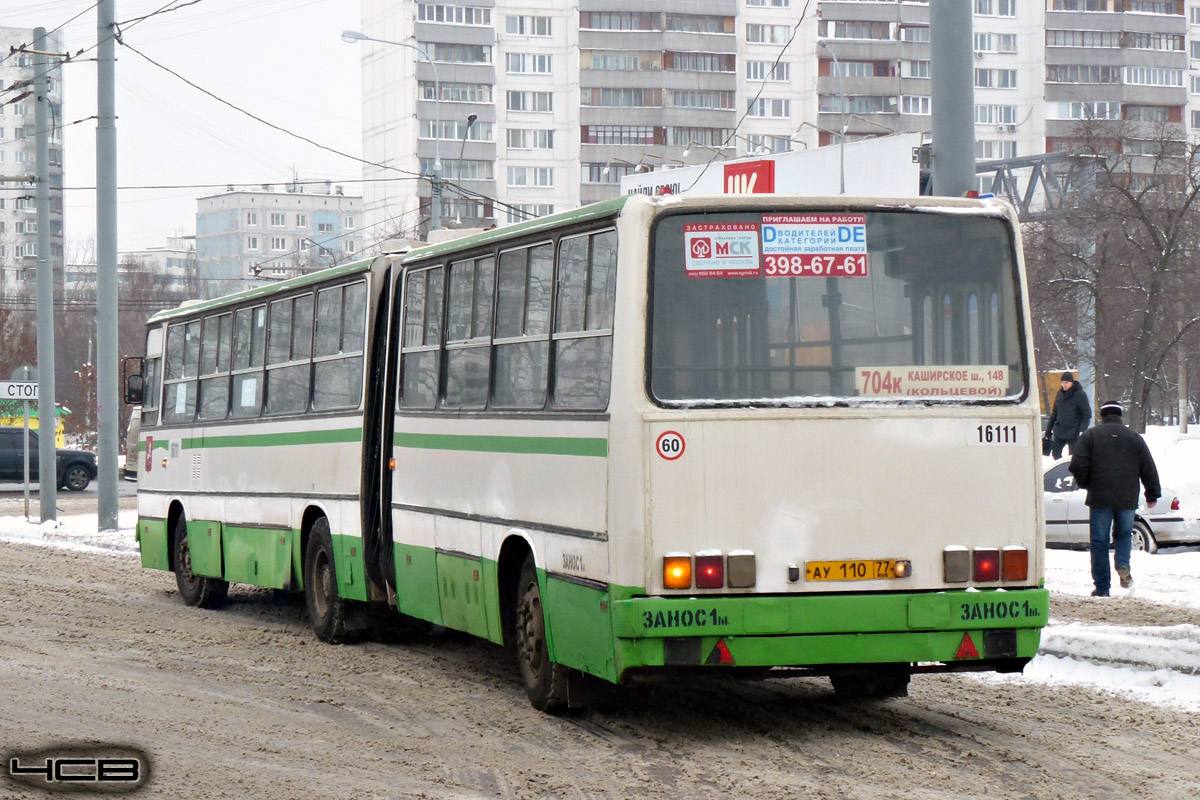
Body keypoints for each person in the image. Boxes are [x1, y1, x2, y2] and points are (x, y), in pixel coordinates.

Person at [1068, 401, 1160, 597]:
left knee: (1099, 541)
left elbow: (1077, 464)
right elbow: (1148, 467)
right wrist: (1152, 493)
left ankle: (1102, 588)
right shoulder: (1134, 438)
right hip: (1127, 497)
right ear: (1120, 416)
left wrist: (1086, 483)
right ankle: (1123, 565)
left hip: (1100, 497)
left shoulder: (1090, 436)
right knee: (1124, 535)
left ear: (1102, 416)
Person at [1044, 372, 1092, 459]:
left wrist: (1082, 430)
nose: (1064, 385)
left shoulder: (1080, 395)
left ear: (1072, 383)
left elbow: (1086, 414)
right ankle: (1060, 472)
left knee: (1074, 457)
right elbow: (1054, 413)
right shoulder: (1060, 394)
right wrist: (1048, 430)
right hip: (1060, 430)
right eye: (1062, 382)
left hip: (1074, 432)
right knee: (1055, 454)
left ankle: (1072, 472)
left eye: (1066, 382)